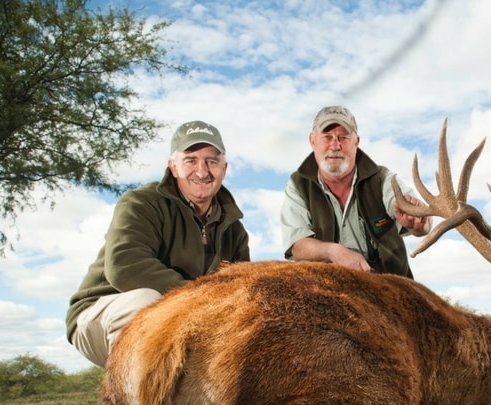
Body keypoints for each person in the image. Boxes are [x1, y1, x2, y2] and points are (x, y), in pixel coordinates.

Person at [66, 120, 250, 367]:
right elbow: (124, 268)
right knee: (144, 303)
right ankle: (131, 403)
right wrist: (206, 298)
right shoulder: (141, 202)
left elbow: (240, 291)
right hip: (105, 314)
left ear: (224, 169)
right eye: (190, 160)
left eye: (212, 161)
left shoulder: (234, 230)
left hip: (189, 320)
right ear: (173, 167)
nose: (202, 171)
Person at [280, 105, 432, 277]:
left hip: (389, 288)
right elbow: (297, 245)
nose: (335, 145)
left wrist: (419, 222)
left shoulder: (383, 179)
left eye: (343, 137)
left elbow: (418, 219)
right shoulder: (298, 185)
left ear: (356, 142)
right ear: (312, 141)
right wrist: (333, 251)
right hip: (329, 290)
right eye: (327, 137)